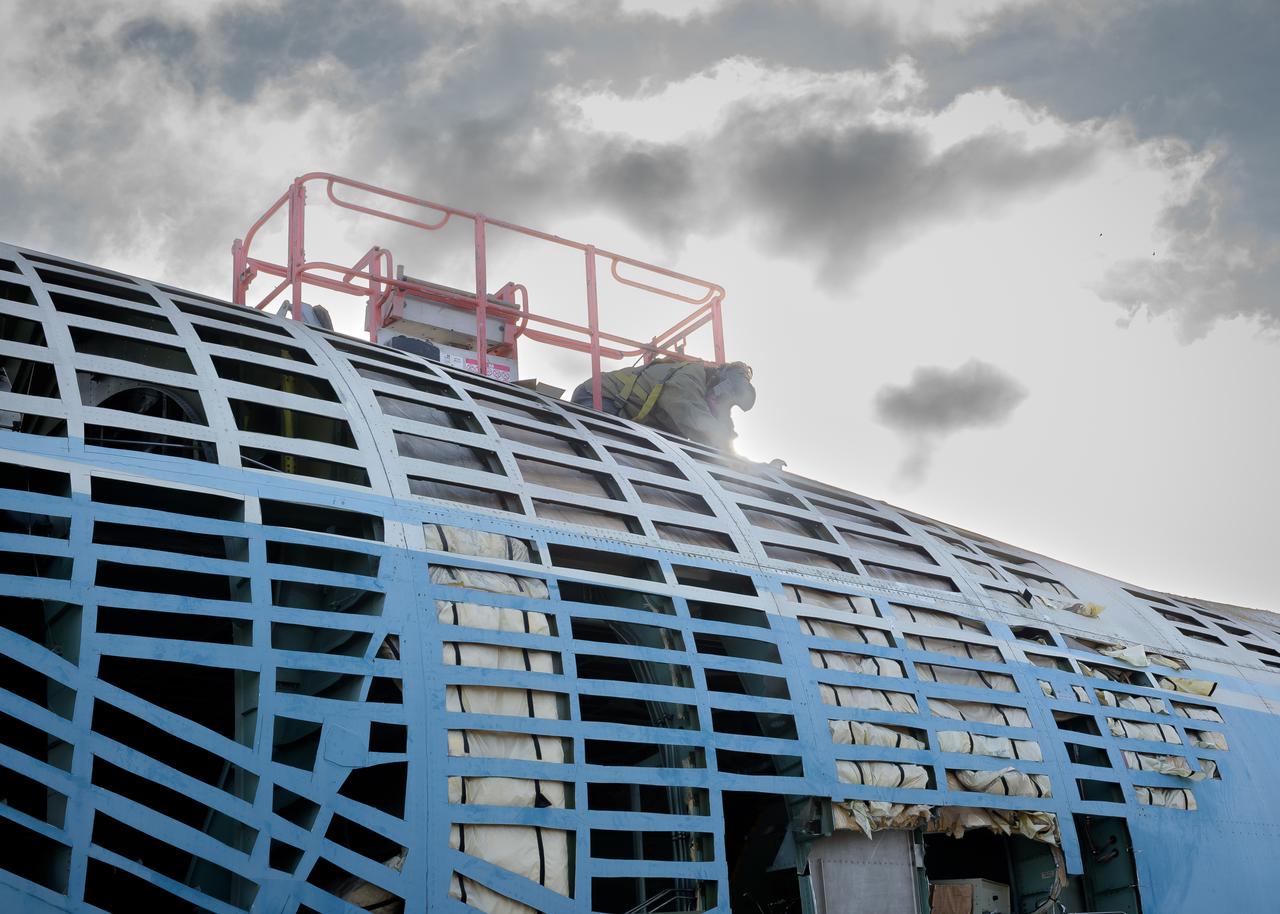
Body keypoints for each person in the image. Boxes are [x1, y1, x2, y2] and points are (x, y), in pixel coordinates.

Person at [570, 359, 756, 452]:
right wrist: (739, 463)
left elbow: (723, 431)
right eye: (723, 400)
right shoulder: (688, 380)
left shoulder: (711, 395)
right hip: (600, 397)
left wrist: (750, 467)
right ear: (717, 382)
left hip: (628, 413)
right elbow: (698, 423)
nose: (722, 406)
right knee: (613, 452)